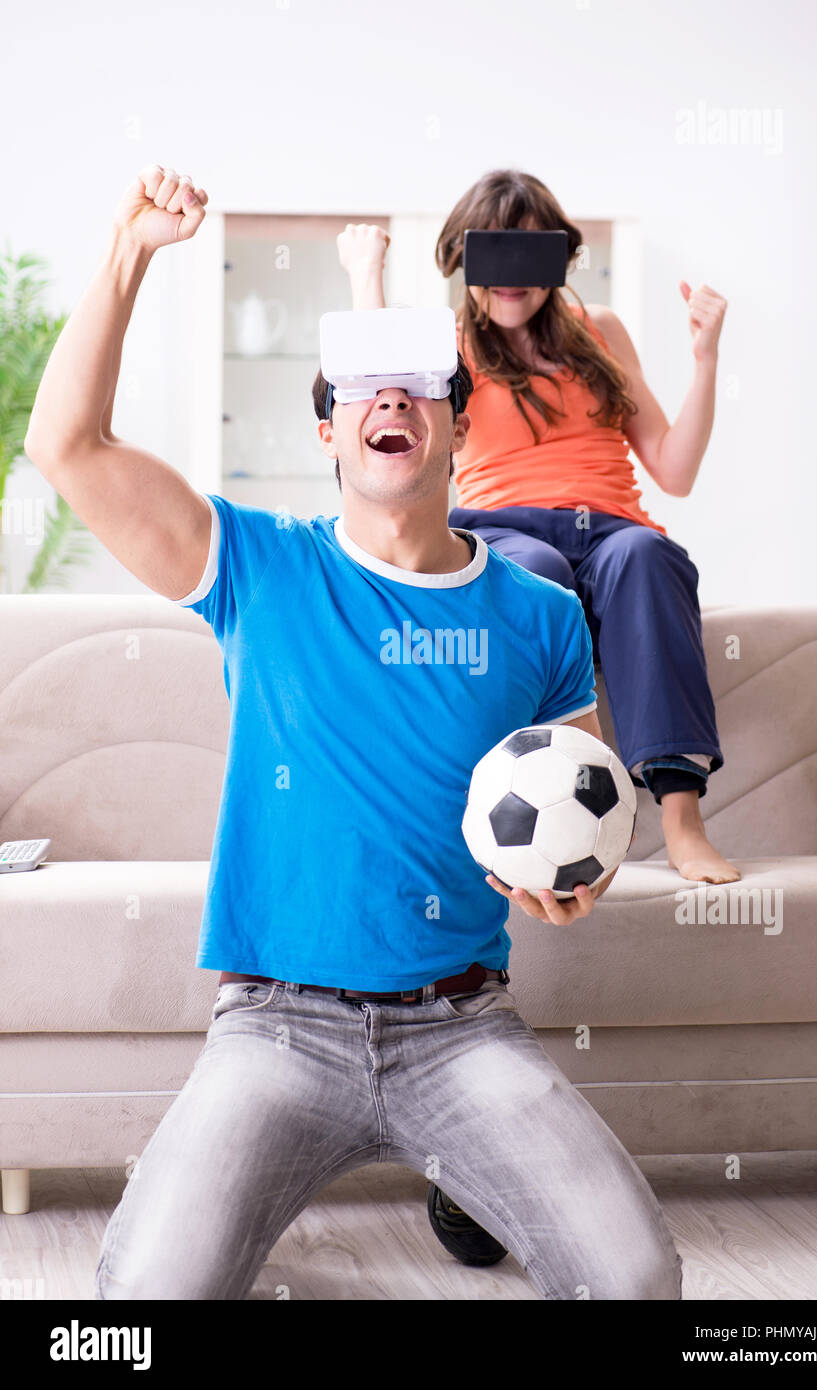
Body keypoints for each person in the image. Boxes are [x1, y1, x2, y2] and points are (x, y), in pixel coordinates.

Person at [24, 163, 682, 1301]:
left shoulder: (540, 613)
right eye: (361, 388)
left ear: (456, 422)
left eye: (418, 384)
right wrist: (129, 254)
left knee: (638, 1282)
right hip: (274, 1030)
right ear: (328, 427)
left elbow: (582, 805)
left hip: (461, 1028)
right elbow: (68, 446)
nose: (390, 401)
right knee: (144, 1305)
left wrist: (576, 884)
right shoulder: (259, 567)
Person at [338, 173, 740, 890]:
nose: (511, 279)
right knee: (534, 576)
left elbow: (673, 472)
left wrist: (704, 360)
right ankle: (529, 820)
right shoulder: (445, 342)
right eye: (493, 254)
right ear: (462, 261)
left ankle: (682, 823)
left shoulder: (601, 331)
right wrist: (365, 277)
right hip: (503, 527)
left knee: (647, 555)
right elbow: (379, 409)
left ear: (557, 261)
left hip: (614, 529)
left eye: (530, 255)